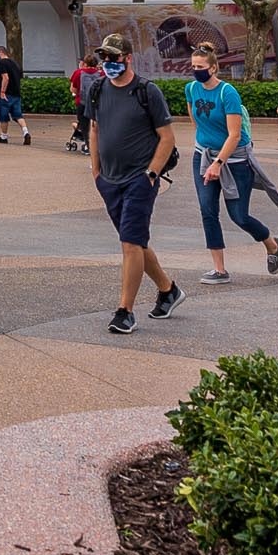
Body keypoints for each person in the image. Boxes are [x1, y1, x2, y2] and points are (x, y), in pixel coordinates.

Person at [81, 34, 182, 334]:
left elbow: (167, 138)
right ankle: (168, 290)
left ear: (128, 58)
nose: (108, 63)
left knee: (129, 242)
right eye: (104, 58)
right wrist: (96, 171)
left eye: (114, 58)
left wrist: (151, 173)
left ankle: (125, 311)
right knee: (135, 241)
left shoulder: (146, 91)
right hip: (109, 180)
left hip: (140, 179)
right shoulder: (98, 89)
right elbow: (95, 129)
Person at [184, 45, 278, 283]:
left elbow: (234, 134)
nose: (197, 71)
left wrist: (218, 162)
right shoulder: (191, 89)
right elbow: (196, 121)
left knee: (239, 216)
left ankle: (272, 245)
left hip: (235, 160)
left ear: (214, 67)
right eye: (193, 67)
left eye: (201, 67)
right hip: (204, 156)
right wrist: (205, 150)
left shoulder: (227, 93)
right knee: (208, 211)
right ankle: (219, 269)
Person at [0, 45, 27, 145]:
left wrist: (2, 91)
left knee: (3, 115)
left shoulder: (1, 63)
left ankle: (4, 136)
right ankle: (26, 133)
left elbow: (5, 78)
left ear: (1, 52)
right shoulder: (15, 63)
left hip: (6, 94)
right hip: (16, 93)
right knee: (18, 115)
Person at [67, 52, 100, 155]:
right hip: (98, 104)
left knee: (85, 126)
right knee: (97, 125)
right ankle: (99, 146)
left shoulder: (78, 73)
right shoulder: (101, 74)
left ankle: (88, 146)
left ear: (85, 63)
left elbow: (73, 89)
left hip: (82, 104)